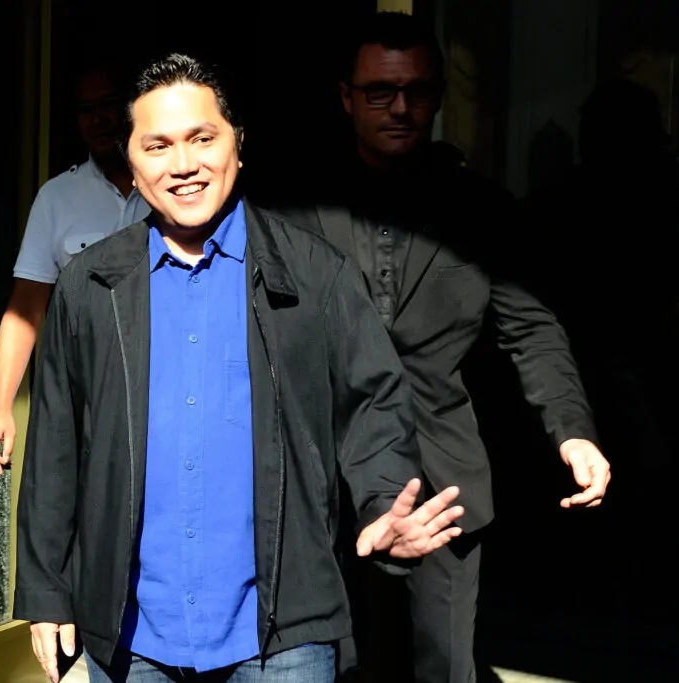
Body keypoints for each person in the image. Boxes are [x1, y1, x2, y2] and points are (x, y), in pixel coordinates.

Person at [15, 53, 467, 683]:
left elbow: (373, 403)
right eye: (158, 146)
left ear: (239, 144)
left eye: (202, 138)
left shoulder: (315, 275)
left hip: (284, 636)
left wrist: (385, 500)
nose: (183, 164)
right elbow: (55, 443)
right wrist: (45, 587)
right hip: (131, 633)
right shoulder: (91, 284)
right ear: (132, 162)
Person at [277, 12, 611, 683]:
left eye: (418, 91)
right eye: (380, 91)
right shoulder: (294, 208)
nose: (400, 108)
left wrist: (572, 430)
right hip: (324, 481)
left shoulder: (483, 210)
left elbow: (531, 326)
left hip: (444, 479)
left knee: (446, 669)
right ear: (346, 96)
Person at [0, 60, 149, 474]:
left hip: (163, 393)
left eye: (108, 104)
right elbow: (26, 306)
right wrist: (1, 407)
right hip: (83, 403)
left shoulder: (171, 184)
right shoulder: (57, 198)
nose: (98, 118)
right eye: (86, 109)